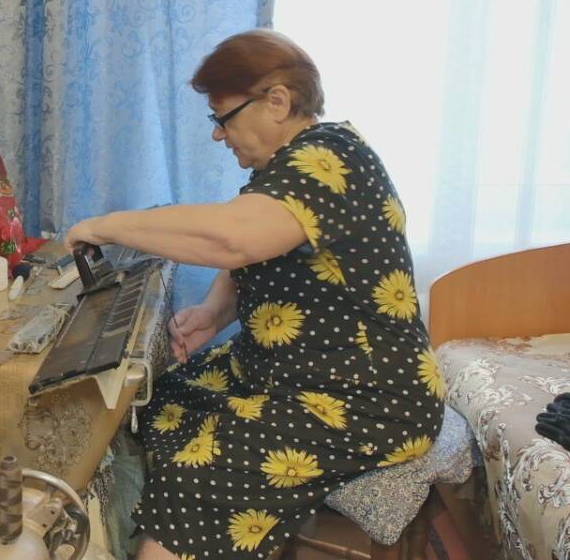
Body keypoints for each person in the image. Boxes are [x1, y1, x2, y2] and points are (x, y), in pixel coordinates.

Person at [64, 30, 446, 559]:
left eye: (223, 118)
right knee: (154, 405)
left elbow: (233, 239)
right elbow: (255, 254)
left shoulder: (329, 160)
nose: (218, 134)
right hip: (288, 372)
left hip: (365, 397)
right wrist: (212, 313)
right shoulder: (284, 169)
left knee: (193, 478)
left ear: (278, 102)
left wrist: (105, 226)